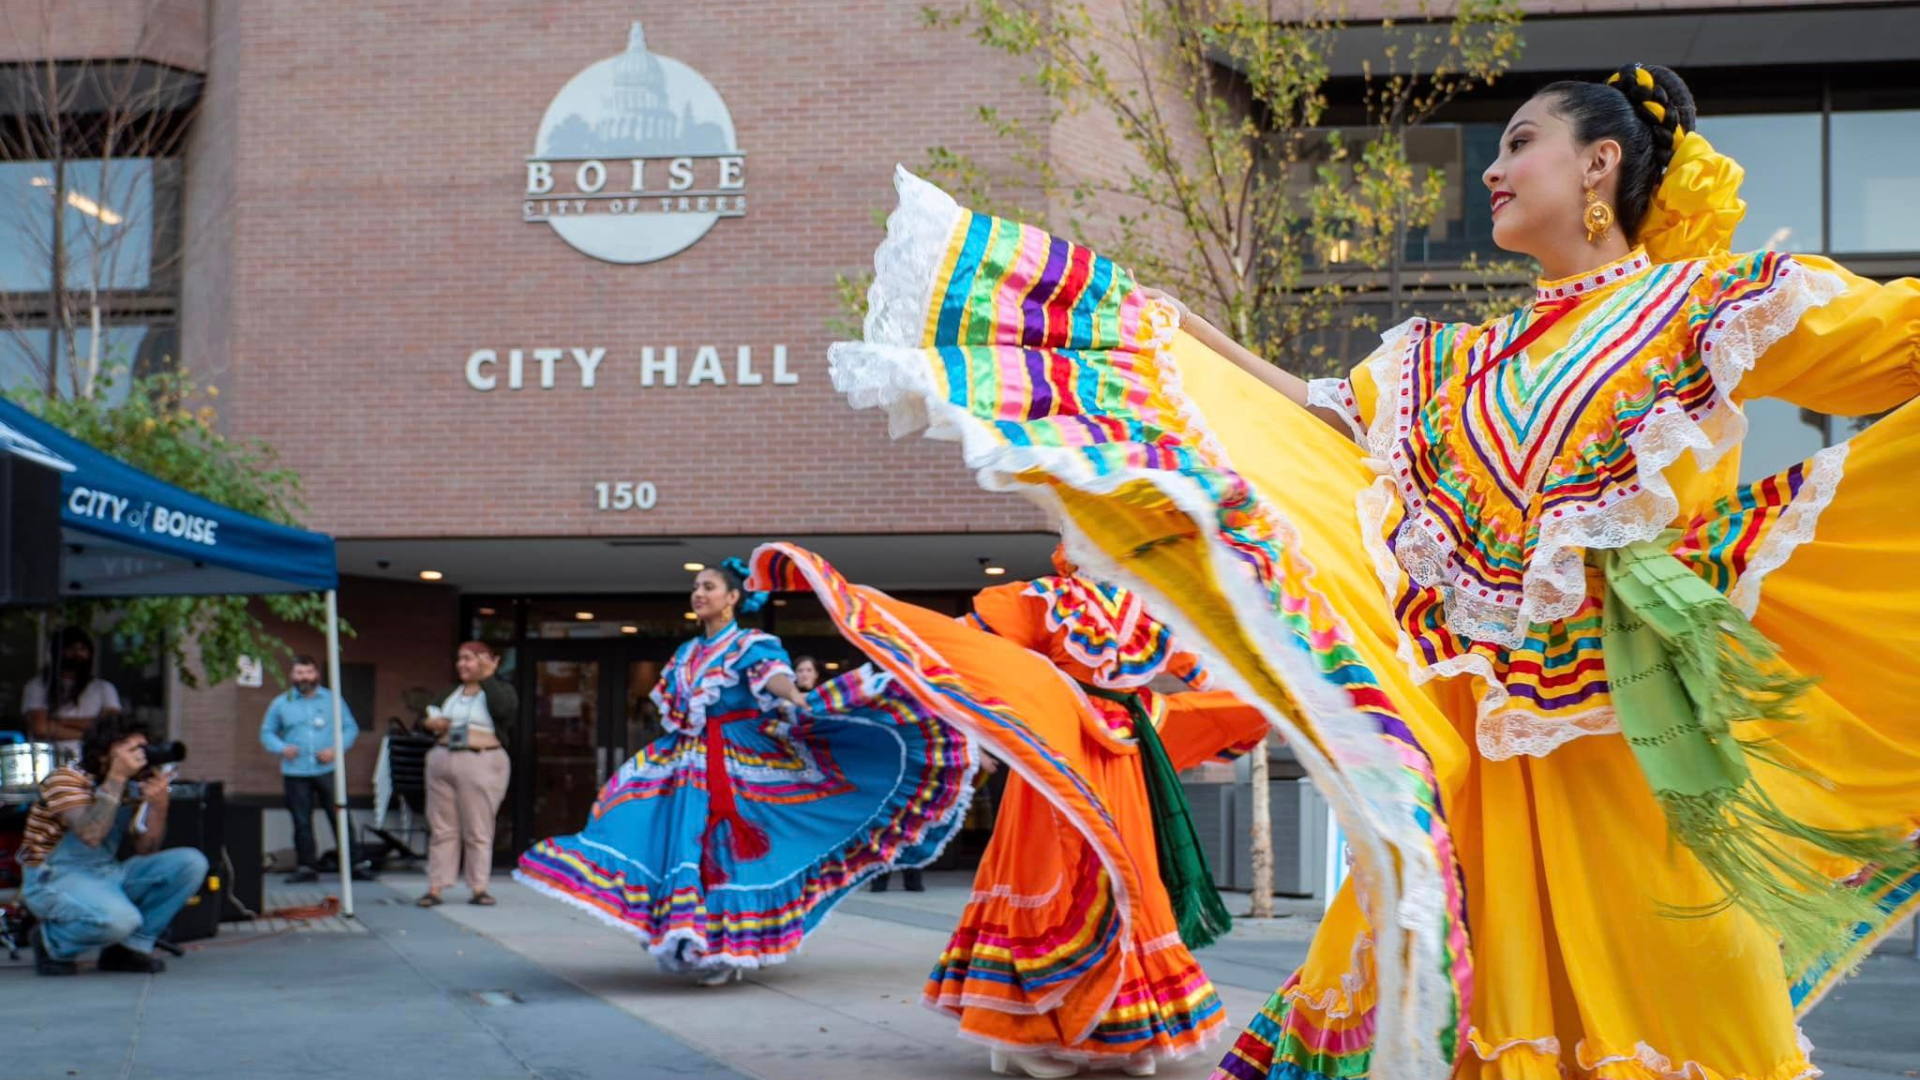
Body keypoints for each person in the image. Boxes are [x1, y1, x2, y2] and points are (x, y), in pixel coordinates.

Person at [828, 63, 1920, 1080]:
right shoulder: (1454, 361)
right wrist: (1168, 328)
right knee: (1454, 988)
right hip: (1472, 755)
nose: (1491, 170)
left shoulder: (1712, 309)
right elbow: (1312, 414)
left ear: (1600, 164)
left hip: (1635, 736)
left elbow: (1899, 340)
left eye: (1520, 142)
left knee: (1691, 994)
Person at [516, 558, 978, 985]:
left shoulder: (751, 643)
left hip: (738, 758)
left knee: (725, 853)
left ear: (732, 596)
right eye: (696, 587)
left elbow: (774, 677)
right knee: (649, 829)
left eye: (709, 586)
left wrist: (798, 698)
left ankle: (718, 946)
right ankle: (681, 932)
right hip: (685, 761)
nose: (698, 593)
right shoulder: (686, 652)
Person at [19, 713, 208, 976]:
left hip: (104, 872)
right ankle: (54, 942)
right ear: (104, 754)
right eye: (132, 750)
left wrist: (158, 807)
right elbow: (90, 834)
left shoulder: (132, 786)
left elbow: (146, 848)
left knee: (190, 863)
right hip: (52, 877)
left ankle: (129, 949)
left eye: (144, 748)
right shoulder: (65, 779)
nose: (141, 756)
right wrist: (116, 779)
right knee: (122, 920)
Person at [418, 641, 517, 908]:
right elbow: (424, 716)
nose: (463, 664)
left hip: (480, 759)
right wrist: (430, 723)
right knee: (441, 827)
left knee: (478, 827)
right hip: (443, 756)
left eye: (470, 659)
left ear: (488, 661)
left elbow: (505, 712)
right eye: (460, 658)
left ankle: (479, 886)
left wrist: (488, 678)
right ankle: (436, 885)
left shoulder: (498, 690)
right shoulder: (451, 692)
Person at [260, 654, 366, 883]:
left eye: (308, 672)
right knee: (301, 821)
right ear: (292, 675)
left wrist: (336, 749)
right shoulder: (281, 703)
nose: (304, 677)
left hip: (328, 769)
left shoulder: (333, 700)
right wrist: (281, 747)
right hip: (295, 771)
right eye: (299, 673)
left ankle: (353, 865)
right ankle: (307, 867)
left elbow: (350, 728)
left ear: (317, 674)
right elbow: (266, 732)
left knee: (340, 816)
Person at [21, 628, 122, 760]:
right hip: (48, 761)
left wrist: (59, 721)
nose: (77, 654)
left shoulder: (105, 688)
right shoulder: (37, 686)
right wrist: (91, 732)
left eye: (82, 649)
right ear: (57, 652)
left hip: (92, 762)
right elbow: (41, 729)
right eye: (71, 648)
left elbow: (110, 727)